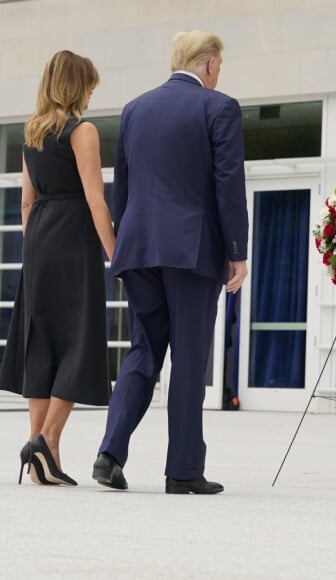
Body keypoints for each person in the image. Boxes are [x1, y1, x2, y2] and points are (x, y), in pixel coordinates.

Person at [91, 29, 248, 494]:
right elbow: (228, 185)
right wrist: (237, 252)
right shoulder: (219, 108)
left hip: (137, 248)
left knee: (143, 351)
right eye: (220, 64)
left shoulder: (135, 108)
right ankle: (182, 471)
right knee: (188, 357)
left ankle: (109, 454)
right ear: (210, 63)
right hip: (191, 251)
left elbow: (124, 183)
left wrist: (125, 242)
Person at [0, 50, 115, 486]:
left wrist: (36, 249)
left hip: (40, 240)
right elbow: (95, 198)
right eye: (88, 85)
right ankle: (46, 439)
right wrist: (115, 254)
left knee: (41, 343)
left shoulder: (31, 134)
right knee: (78, 339)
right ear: (77, 85)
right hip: (72, 238)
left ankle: (39, 462)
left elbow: (26, 203)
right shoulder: (81, 131)